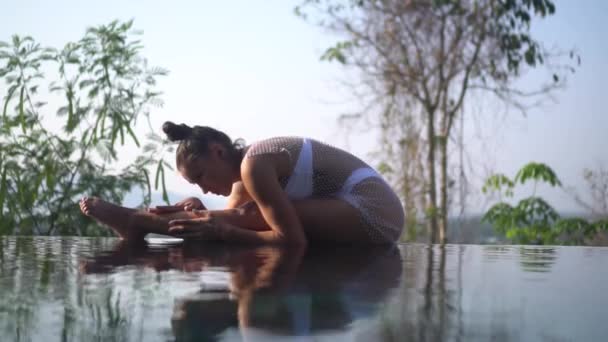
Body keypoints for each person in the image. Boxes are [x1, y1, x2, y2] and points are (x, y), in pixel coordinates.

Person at [79, 121, 404, 245]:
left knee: (242, 220)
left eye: (201, 177)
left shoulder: (254, 165)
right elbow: (225, 222)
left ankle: (136, 221)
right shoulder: (244, 176)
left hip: (375, 210)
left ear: (218, 152)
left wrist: (225, 229)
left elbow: (291, 240)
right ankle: (136, 222)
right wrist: (203, 211)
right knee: (237, 218)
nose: (203, 188)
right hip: (357, 211)